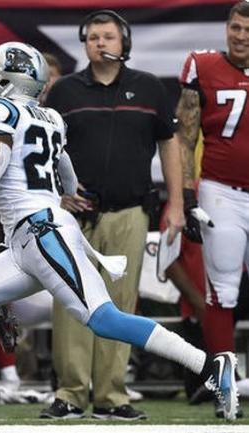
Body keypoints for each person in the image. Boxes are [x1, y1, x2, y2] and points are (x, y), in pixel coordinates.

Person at [0, 41, 238, 433]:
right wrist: (60, 197)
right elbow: (67, 173)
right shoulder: (49, 116)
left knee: (103, 319)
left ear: (8, 77)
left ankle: (211, 366)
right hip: (28, 236)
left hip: (41, 231)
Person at [41, 10, 185, 420]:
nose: (100, 43)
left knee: (120, 305)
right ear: (84, 44)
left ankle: (111, 395)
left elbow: (170, 145)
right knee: (71, 300)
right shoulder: (65, 91)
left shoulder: (149, 88)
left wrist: (175, 203)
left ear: (125, 43)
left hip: (130, 210)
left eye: (108, 36)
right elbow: (44, 149)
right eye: (93, 37)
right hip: (74, 217)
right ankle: (69, 392)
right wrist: (57, 196)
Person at [175, 1, 249, 418]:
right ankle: (225, 388)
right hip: (222, 191)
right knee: (222, 291)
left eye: (247, 30)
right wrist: (186, 194)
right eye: (235, 27)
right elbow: (184, 137)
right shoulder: (203, 66)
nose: (240, 36)